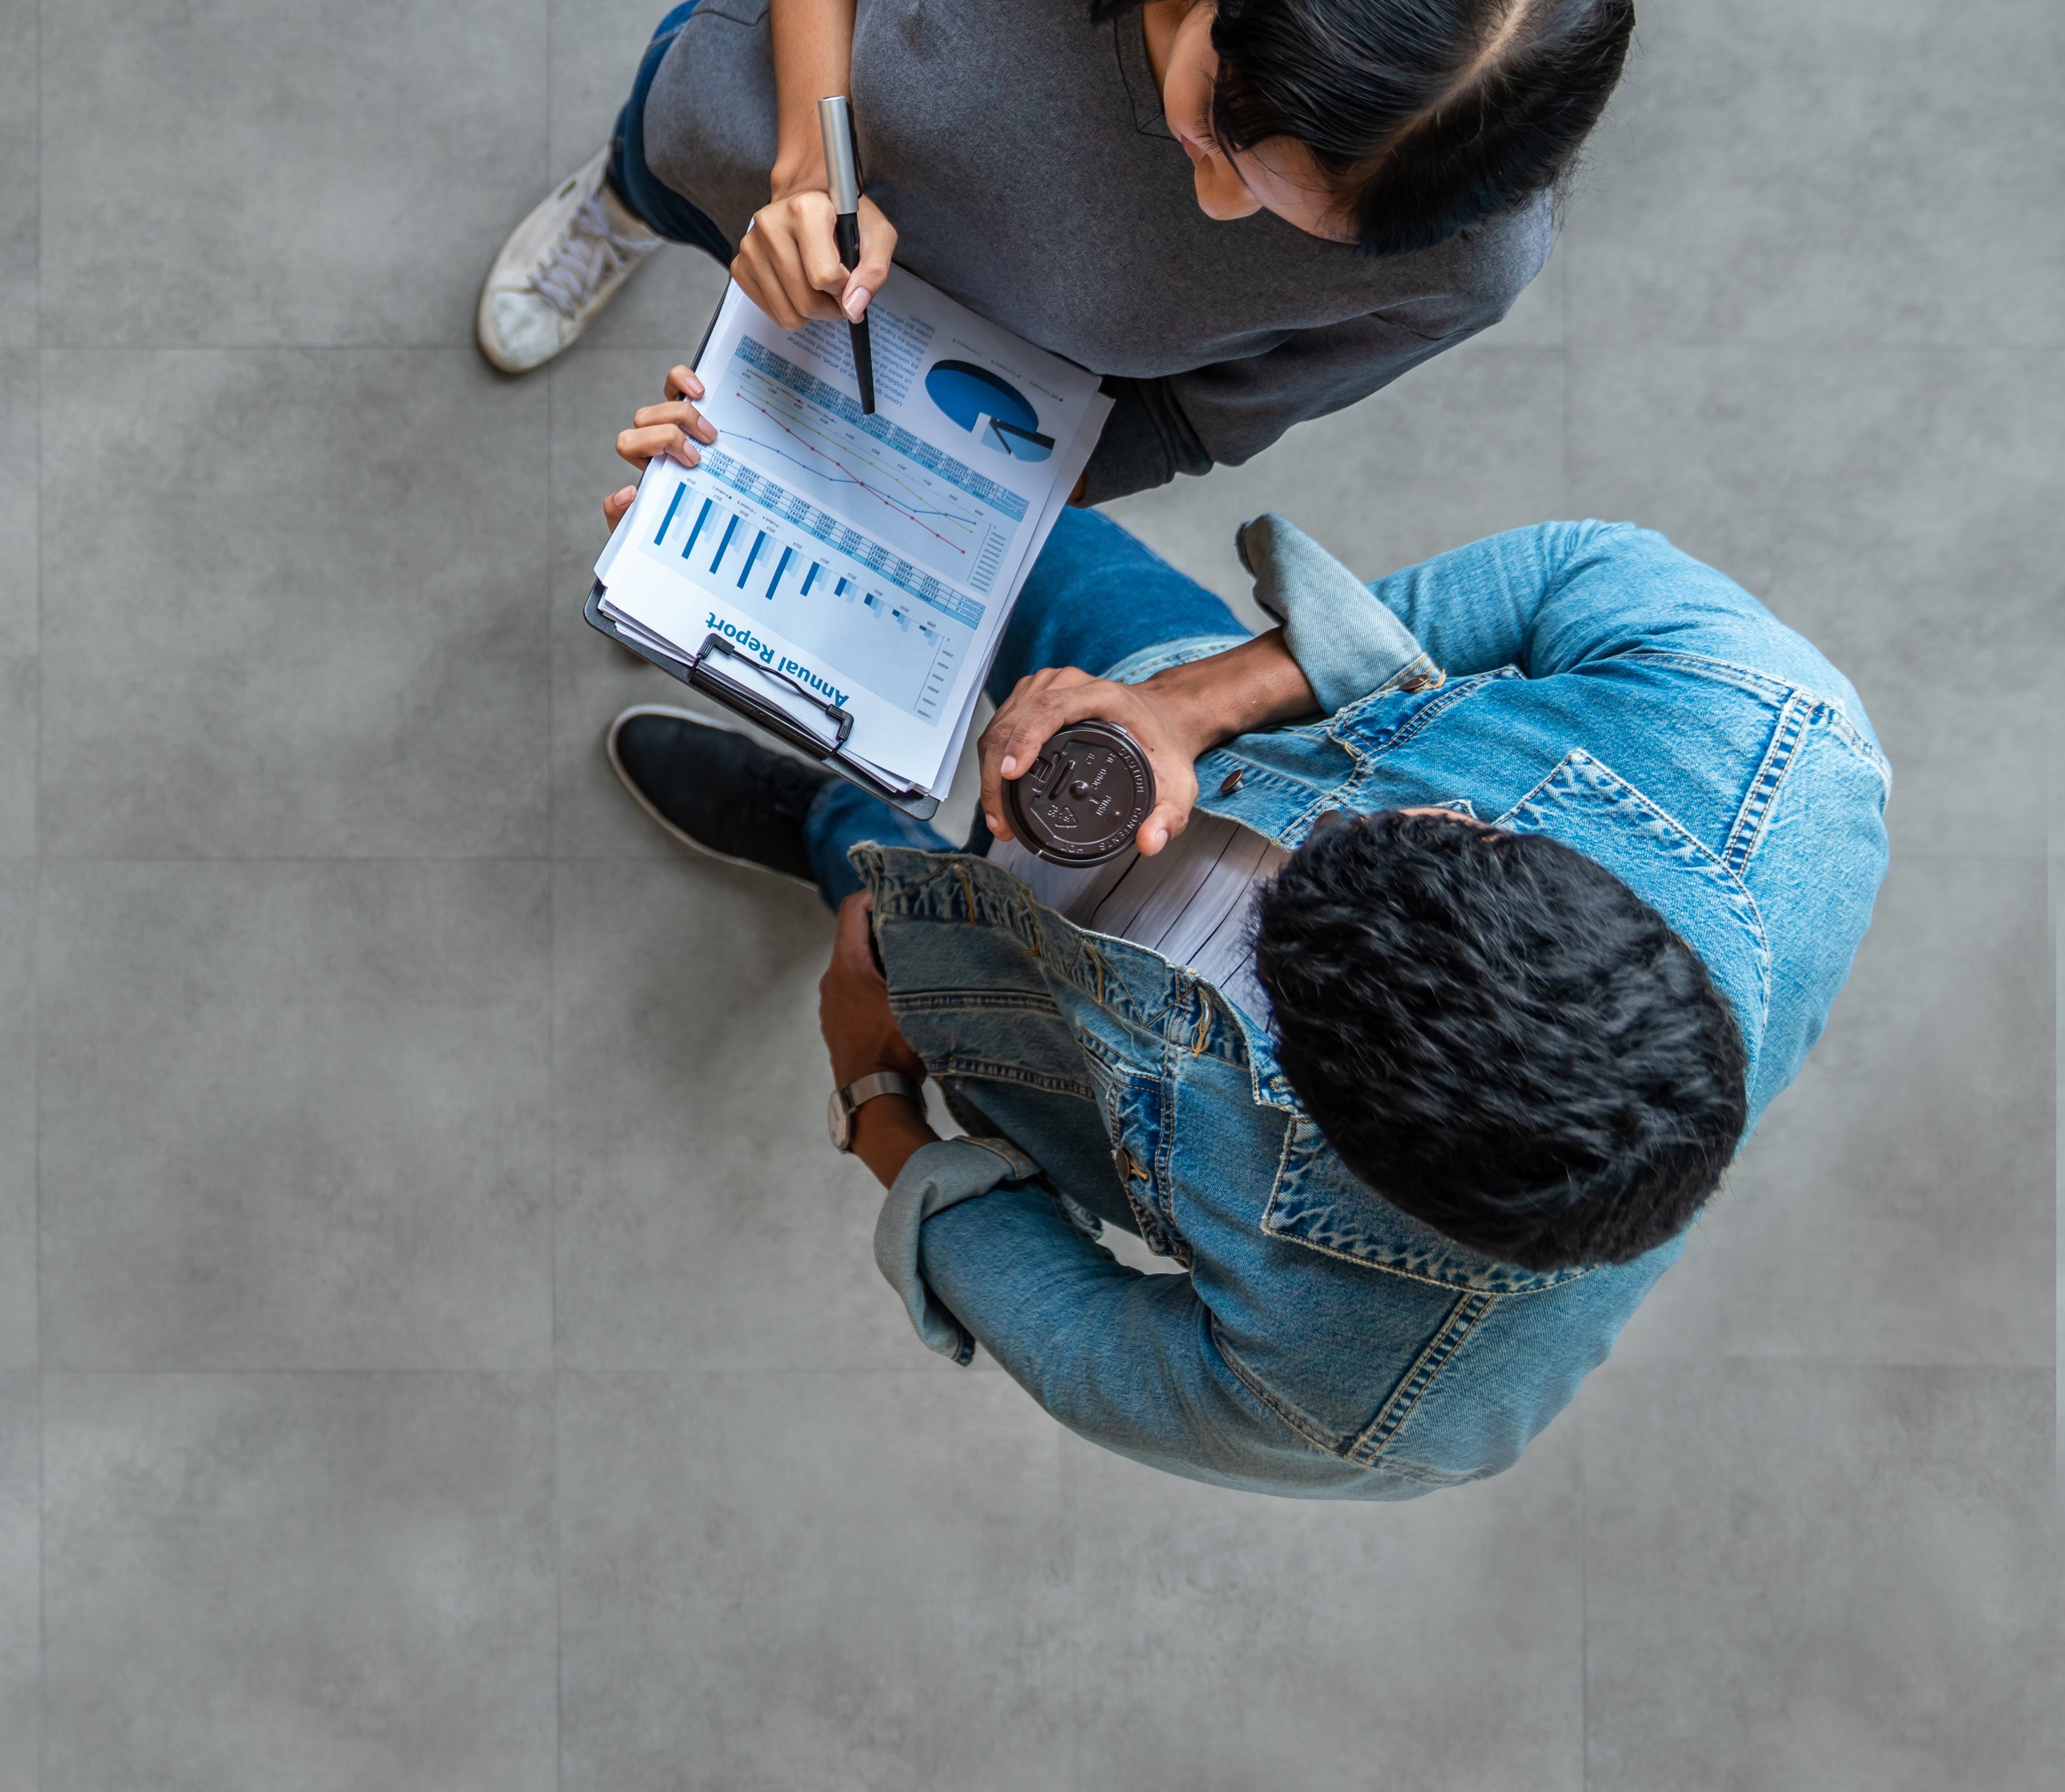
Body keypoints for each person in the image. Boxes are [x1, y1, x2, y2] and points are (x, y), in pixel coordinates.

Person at [596, 478, 1889, 1499]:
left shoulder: (1379, 1401)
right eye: (1433, 823)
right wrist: (1193, 706)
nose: (1330, 825)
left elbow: (1086, 1348)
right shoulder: (1781, 747)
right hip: (1159, 703)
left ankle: (830, 827)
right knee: (983, 522)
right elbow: (1567, 572)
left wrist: (874, 1087)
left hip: (1016, 1008)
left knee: (876, 914)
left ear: (1332, 1119)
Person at [477, 0, 1633, 503]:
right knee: (657, 170)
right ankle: (617, 212)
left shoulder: (1464, 260)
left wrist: (890, 497)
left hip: (950, 379)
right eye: (1219, 130)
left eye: (1302, 226)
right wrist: (807, 170)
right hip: (744, 133)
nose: (1217, 207)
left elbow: (1182, 421)